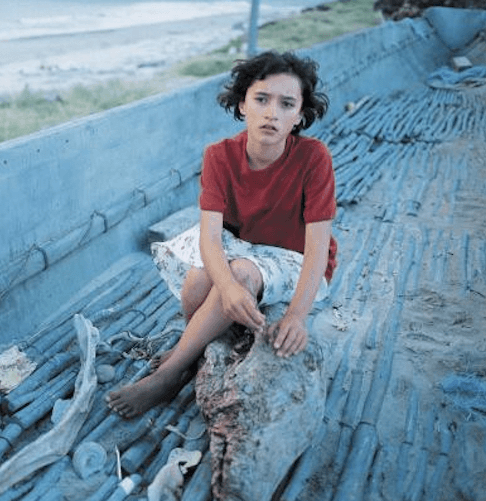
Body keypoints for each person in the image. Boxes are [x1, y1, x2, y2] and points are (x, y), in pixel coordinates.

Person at [107, 51, 337, 418]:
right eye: (261, 99)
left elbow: (317, 248)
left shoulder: (313, 158)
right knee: (201, 281)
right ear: (243, 104)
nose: (271, 113)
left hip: (291, 257)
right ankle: (196, 347)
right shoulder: (219, 156)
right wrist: (226, 289)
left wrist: (297, 315)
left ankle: (170, 373)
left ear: (299, 116)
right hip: (242, 244)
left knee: (242, 272)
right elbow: (210, 239)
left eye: (286, 104)